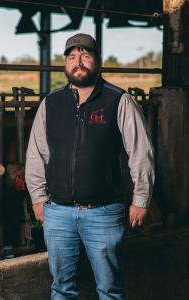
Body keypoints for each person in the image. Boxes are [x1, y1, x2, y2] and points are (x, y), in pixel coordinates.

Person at [25, 33, 154, 300]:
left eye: (85, 56)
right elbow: (37, 154)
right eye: (72, 57)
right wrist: (38, 197)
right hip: (57, 213)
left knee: (110, 289)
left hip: (104, 213)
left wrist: (141, 199)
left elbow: (141, 153)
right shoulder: (51, 103)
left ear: (97, 61)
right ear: (66, 64)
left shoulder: (118, 100)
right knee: (61, 287)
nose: (78, 62)